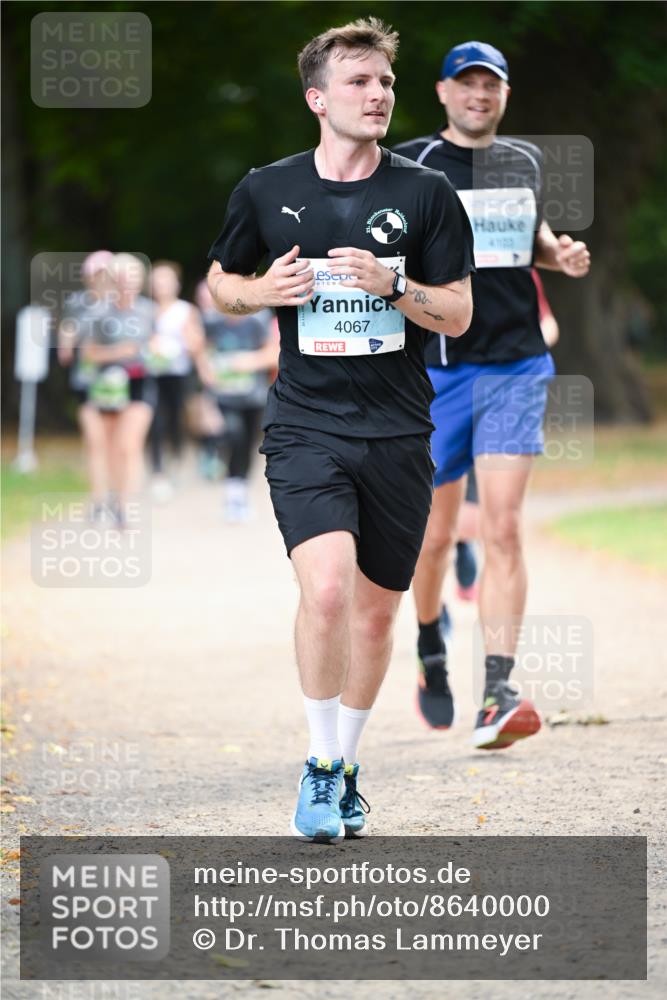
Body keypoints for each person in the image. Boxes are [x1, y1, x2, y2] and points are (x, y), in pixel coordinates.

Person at [207, 17, 474, 842]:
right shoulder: (264, 189)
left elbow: (458, 316)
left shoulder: (425, 194)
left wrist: (394, 287)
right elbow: (220, 284)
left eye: (386, 82)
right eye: (360, 81)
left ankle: (348, 766)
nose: (378, 94)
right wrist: (263, 292)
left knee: (371, 614)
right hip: (306, 424)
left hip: (397, 430)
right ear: (317, 98)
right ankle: (319, 768)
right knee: (324, 589)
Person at [395, 41, 589, 746]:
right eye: (467, 83)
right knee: (433, 538)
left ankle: (496, 691)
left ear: (502, 95)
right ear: (444, 91)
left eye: (492, 85)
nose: (479, 95)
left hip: (514, 362)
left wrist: (555, 253)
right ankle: (428, 645)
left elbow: (523, 237)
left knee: (502, 526)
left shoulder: (523, 162)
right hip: (438, 371)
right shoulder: (410, 164)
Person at [81, 253, 156, 527]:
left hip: (138, 383)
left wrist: (157, 351)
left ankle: (126, 507)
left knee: (129, 445)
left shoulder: (149, 311)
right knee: (109, 447)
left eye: (133, 277)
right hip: (106, 386)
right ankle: (110, 498)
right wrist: (119, 352)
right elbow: (88, 354)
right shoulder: (98, 313)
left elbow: (159, 345)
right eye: (122, 277)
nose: (127, 283)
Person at [194, 281, 278, 521]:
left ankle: (238, 493)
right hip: (223, 396)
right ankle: (231, 492)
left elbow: (272, 355)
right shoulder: (212, 323)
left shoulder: (258, 320)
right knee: (233, 435)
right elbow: (201, 352)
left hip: (252, 396)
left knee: (247, 444)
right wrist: (207, 371)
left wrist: (246, 361)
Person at [57, 250, 114, 518]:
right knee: (94, 441)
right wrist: (66, 345)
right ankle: (98, 499)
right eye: (95, 275)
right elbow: (67, 329)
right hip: (87, 378)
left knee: (114, 442)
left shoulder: (121, 303)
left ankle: (116, 494)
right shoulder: (77, 302)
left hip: (118, 381)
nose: (99, 280)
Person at [147, 260, 205, 502]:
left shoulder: (186, 311)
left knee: (176, 419)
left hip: (178, 373)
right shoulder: (145, 310)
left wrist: (187, 338)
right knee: (155, 421)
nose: (162, 285)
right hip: (152, 373)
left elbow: (197, 345)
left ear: (176, 284)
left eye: (166, 280)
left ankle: (177, 461)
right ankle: (157, 471)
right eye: (157, 280)